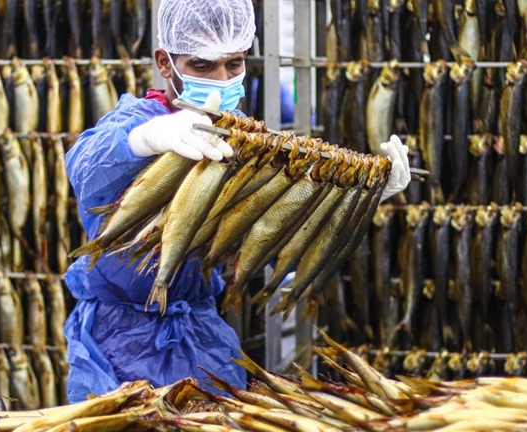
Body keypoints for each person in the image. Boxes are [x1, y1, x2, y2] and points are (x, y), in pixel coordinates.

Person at [62, 0, 412, 402]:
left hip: (205, 338)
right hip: (118, 344)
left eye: (234, 64)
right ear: (164, 62)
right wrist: (146, 139)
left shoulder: (242, 142)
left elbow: (276, 234)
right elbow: (85, 166)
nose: (222, 78)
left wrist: (361, 199)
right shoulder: (137, 123)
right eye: (202, 66)